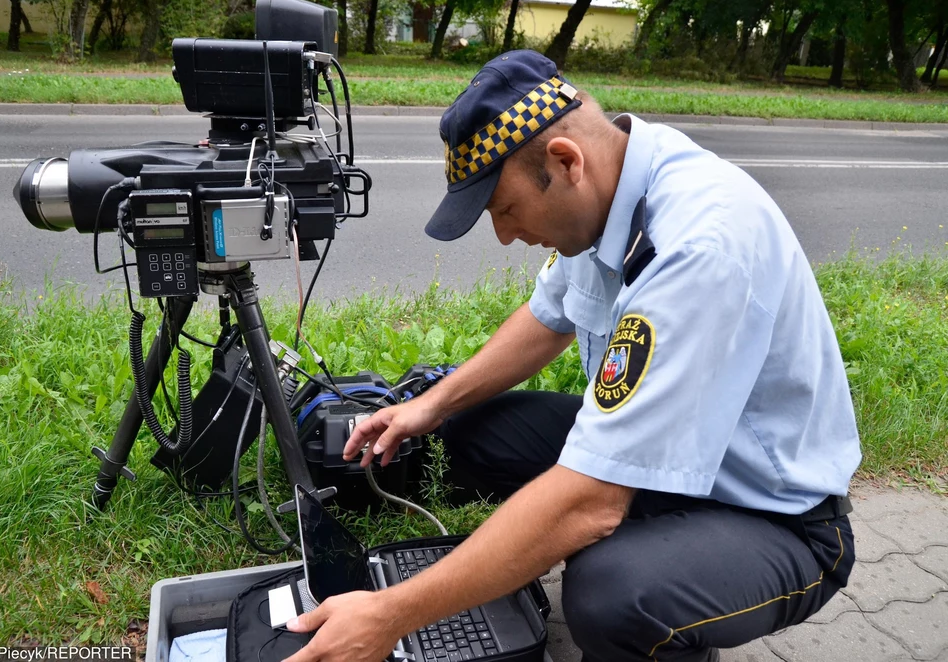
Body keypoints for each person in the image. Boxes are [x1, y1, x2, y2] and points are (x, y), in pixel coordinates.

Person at [283, 49, 860, 662]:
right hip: (674, 464)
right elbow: (547, 318)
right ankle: (650, 542)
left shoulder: (699, 247)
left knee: (611, 594)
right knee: (474, 430)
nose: (504, 235)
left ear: (564, 162)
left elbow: (591, 501)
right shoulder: (612, 182)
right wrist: (428, 406)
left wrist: (389, 616)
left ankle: (673, 604)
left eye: (503, 209)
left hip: (773, 517)